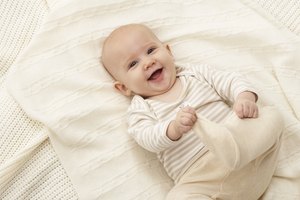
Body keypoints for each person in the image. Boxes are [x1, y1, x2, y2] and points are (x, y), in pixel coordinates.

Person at [101, 24, 283, 200]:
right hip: (201, 178)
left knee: (271, 115)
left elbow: (229, 80)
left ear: (169, 51)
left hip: (246, 151)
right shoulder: (140, 109)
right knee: (177, 197)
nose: (148, 62)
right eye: (133, 64)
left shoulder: (195, 73)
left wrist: (244, 98)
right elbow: (146, 137)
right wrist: (173, 128)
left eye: (150, 51)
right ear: (123, 87)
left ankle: (231, 149)